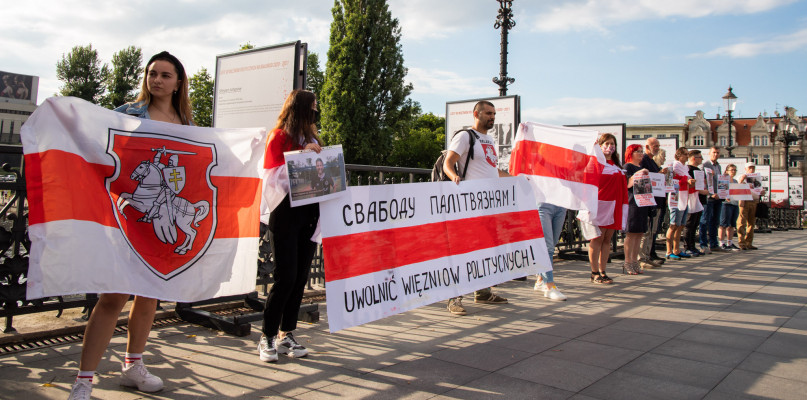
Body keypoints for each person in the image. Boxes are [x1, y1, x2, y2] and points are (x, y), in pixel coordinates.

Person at [69, 51, 194, 400]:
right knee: (112, 297)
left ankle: (132, 364)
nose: (157, 80)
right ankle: (83, 380)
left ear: (178, 82)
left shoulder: (187, 124)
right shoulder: (127, 113)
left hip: (159, 217)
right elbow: (99, 147)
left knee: (150, 294)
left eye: (165, 75)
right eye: (152, 73)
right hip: (125, 219)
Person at [258, 89, 322, 362]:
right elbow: (270, 176)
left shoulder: (311, 137)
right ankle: (267, 336)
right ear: (302, 109)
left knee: (299, 279)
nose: (317, 111)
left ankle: (287, 334)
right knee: (285, 278)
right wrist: (300, 154)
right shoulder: (279, 136)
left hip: (309, 214)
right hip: (285, 214)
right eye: (314, 106)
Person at [443, 101, 510, 315]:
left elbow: (491, 170)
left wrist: (518, 180)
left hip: (488, 206)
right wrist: (455, 177)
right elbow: (448, 162)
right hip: (469, 206)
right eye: (488, 113)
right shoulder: (465, 136)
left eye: (494, 114)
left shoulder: (489, 139)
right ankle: (454, 297)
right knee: (464, 251)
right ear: (476, 114)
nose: (492, 117)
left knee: (485, 250)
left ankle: (482, 292)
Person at [587, 133, 627, 284]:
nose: (610, 146)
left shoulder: (616, 165)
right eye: (607, 143)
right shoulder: (596, 162)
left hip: (614, 205)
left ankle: (603, 270)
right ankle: (594, 272)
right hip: (600, 204)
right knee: (597, 238)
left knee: (607, 239)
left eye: (613, 143)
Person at [638, 138, 667, 270]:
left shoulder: (652, 161)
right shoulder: (644, 160)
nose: (656, 148)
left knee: (652, 231)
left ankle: (648, 256)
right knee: (646, 232)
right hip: (648, 201)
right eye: (654, 146)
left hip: (656, 200)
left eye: (658, 146)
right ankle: (642, 258)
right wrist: (659, 174)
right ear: (647, 147)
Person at [622, 144, 650, 274]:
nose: (641, 153)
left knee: (639, 233)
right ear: (630, 153)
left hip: (643, 202)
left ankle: (634, 260)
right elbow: (626, 184)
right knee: (631, 233)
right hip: (632, 202)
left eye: (641, 151)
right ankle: (628, 262)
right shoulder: (628, 166)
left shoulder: (642, 167)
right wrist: (638, 174)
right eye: (637, 151)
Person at [665, 147, 696, 260]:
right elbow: (674, 179)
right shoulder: (675, 165)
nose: (687, 156)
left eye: (687, 154)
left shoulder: (685, 167)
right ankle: (668, 251)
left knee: (680, 225)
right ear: (679, 155)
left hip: (684, 197)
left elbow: (686, 180)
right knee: (673, 225)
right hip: (676, 198)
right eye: (685, 154)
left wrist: (691, 183)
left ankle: (676, 249)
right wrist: (686, 181)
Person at [534, 203, 568, 301]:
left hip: (560, 203)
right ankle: (549, 286)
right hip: (543, 204)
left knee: (552, 244)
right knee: (547, 247)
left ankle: (540, 280)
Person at [683, 150, 707, 257]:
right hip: (691, 199)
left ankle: (692, 246)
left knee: (695, 224)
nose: (701, 159)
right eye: (699, 157)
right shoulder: (689, 170)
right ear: (693, 158)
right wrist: (703, 190)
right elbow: (691, 186)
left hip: (699, 200)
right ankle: (687, 246)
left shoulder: (698, 170)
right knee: (689, 224)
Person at [699, 147, 723, 253]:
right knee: (704, 221)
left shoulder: (718, 166)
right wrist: (710, 193)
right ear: (709, 153)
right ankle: (703, 244)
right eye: (714, 152)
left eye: (718, 153)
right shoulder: (705, 165)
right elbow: (702, 180)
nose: (716, 154)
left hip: (718, 196)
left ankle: (714, 244)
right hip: (709, 197)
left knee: (715, 221)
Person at [737, 162, 764, 250]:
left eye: (753, 168)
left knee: (751, 223)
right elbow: (737, 188)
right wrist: (741, 180)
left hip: (754, 201)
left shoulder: (757, 178)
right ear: (746, 169)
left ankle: (749, 242)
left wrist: (762, 192)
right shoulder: (742, 177)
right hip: (744, 201)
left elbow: (759, 189)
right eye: (749, 168)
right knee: (742, 222)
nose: (751, 170)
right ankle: (741, 243)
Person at [719, 164, 741, 251]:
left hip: (734, 203)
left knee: (732, 225)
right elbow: (721, 190)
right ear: (727, 171)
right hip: (726, 203)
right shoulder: (724, 180)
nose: (733, 172)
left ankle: (730, 242)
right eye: (731, 170)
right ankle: (721, 242)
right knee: (723, 224)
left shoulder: (735, 181)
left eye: (735, 170)